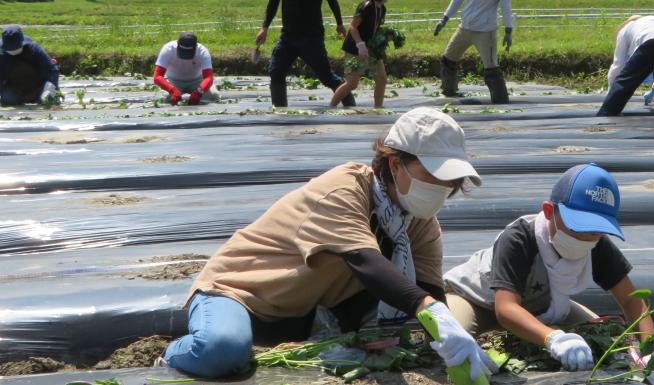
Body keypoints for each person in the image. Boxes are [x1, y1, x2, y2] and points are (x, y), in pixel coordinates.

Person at [163, 107, 497, 380]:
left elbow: (429, 290)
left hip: (299, 315)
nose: (444, 186)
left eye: (451, 180)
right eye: (434, 175)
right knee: (222, 351)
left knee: (386, 341)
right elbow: (366, 262)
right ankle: (173, 352)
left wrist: (454, 343)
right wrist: (432, 311)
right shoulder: (345, 189)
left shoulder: (419, 222)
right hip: (239, 294)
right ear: (396, 164)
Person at [443, 164, 654, 372]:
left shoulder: (596, 244)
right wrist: (553, 338)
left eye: (596, 231)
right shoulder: (520, 238)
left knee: (604, 343)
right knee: (454, 344)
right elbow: (506, 308)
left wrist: (653, 352)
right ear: (549, 211)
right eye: (578, 227)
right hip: (478, 300)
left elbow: (633, 302)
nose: (587, 238)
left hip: (545, 306)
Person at [257, 0, 356, 107]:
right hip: (288, 36)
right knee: (276, 72)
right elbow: (273, 3)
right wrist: (265, 27)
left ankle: (350, 106)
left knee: (327, 78)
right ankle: (280, 110)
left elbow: (332, 1)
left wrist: (339, 23)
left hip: (312, 38)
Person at [597, 16, 654, 116]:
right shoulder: (651, 22)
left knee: (626, 80)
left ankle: (605, 115)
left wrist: (611, 92)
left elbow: (617, 65)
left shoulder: (624, 31)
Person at [433, 0, 514, 104]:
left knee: (492, 69)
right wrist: (444, 20)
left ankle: (501, 102)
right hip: (464, 29)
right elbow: (457, 1)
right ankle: (449, 93)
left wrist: (508, 31)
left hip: (485, 32)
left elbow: (506, 7)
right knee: (448, 59)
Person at [329, 0, 387, 108]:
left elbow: (375, 29)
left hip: (372, 50)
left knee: (381, 78)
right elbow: (353, 26)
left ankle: (378, 108)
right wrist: (360, 45)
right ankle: (331, 106)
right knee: (352, 83)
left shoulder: (382, 8)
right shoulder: (366, 6)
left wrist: (381, 43)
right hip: (355, 48)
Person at [0, 25, 60, 106]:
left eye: (15, 47)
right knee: (7, 101)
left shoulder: (34, 49)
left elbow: (52, 70)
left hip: (39, 88)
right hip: (15, 90)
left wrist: (49, 89)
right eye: (10, 48)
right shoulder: (1, 55)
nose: (13, 50)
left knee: (49, 101)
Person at [153, 32, 219, 106]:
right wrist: (172, 90)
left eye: (189, 53)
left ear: (196, 46)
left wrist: (198, 92)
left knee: (214, 96)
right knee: (164, 100)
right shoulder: (168, 49)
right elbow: (157, 77)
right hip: (173, 81)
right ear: (177, 44)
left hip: (197, 81)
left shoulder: (203, 51)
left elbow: (208, 77)